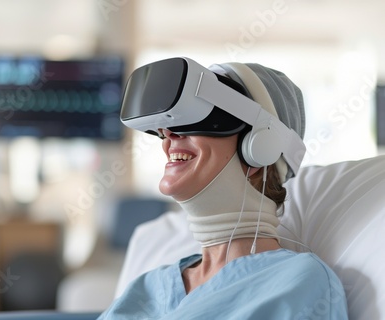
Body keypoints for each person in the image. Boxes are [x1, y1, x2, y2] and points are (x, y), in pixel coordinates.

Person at [98, 57, 348, 319]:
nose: (169, 136)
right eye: (167, 127)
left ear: (260, 149)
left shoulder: (298, 282)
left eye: (197, 119)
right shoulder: (147, 286)